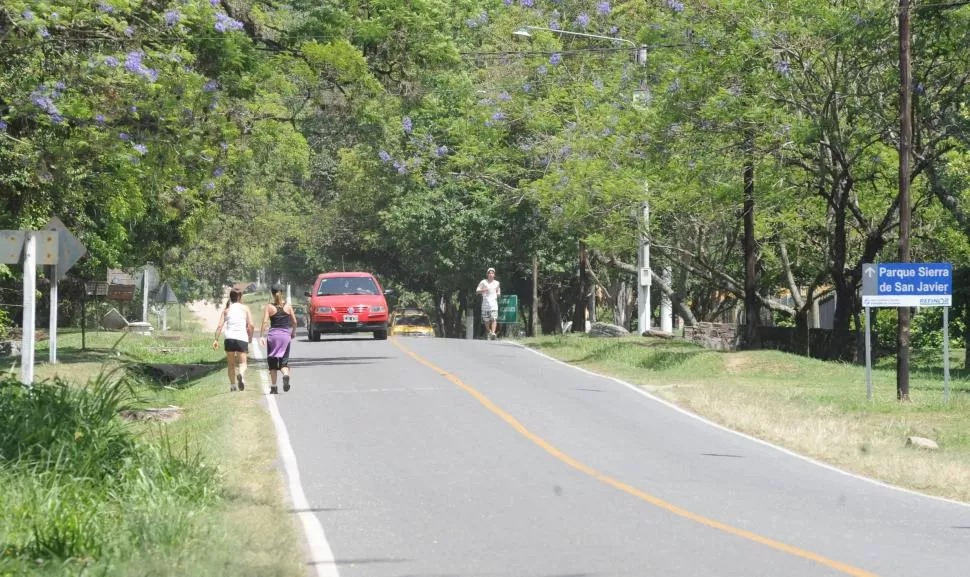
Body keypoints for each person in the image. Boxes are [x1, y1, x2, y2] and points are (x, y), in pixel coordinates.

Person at [212, 288, 254, 392]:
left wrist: (216, 340)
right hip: (241, 338)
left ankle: (232, 386)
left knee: (230, 364)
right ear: (239, 297)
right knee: (243, 363)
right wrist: (250, 336)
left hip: (229, 338)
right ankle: (240, 374)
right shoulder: (245, 308)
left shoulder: (226, 310)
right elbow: (251, 325)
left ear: (231, 297)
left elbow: (219, 326)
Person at [259, 284, 297, 395]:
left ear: (272, 293)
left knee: (272, 363)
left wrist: (261, 336)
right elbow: (294, 321)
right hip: (285, 336)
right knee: (284, 363)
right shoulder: (288, 306)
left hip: (273, 337)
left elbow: (265, 322)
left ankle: (274, 387)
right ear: (282, 292)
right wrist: (293, 332)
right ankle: (285, 375)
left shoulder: (269, 307)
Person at [476, 267, 501, 340]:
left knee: (494, 318)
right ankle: (489, 331)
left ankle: (493, 333)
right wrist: (484, 290)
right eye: (489, 273)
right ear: (487, 274)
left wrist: (498, 294)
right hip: (485, 304)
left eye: (492, 273)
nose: (491, 274)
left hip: (494, 304)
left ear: (494, 275)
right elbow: (477, 291)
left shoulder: (497, 283)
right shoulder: (483, 282)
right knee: (486, 321)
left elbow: (498, 291)